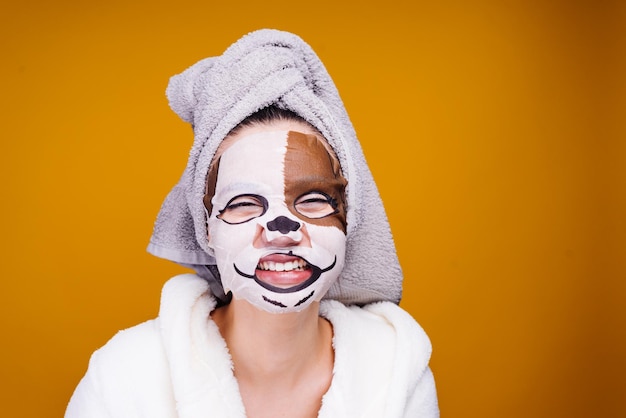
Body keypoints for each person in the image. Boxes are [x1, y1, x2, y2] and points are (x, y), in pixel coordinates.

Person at [65, 29, 439, 418]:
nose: (282, 227)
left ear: (349, 220)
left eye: (312, 201)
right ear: (206, 228)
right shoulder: (124, 377)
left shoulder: (396, 372)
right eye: (244, 203)